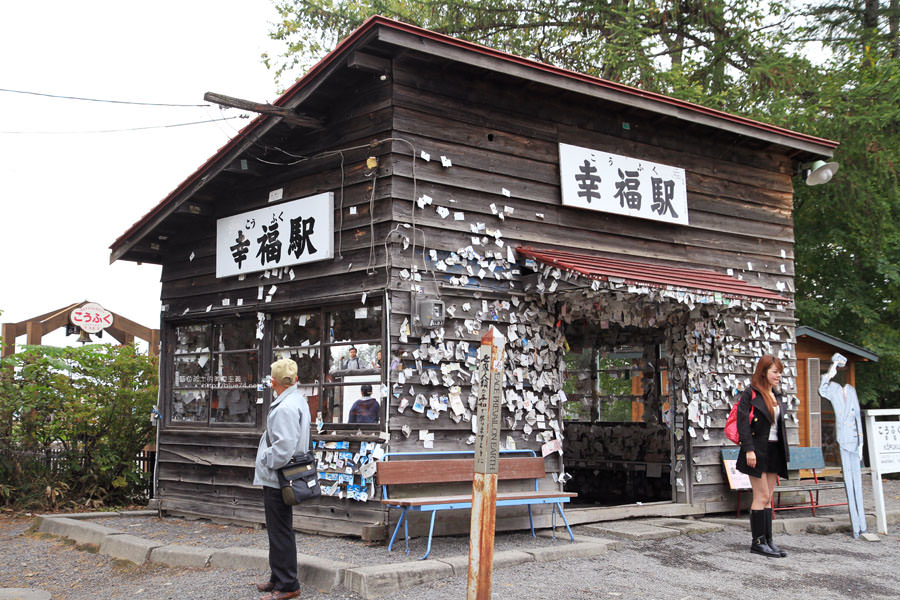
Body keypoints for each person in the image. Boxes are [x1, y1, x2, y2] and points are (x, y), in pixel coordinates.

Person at [252, 358, 309, 600]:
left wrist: (265, 458)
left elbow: (284, 448)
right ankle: (278, 577)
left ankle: (287, 584)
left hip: (279, 477)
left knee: (280, 531)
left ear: (274, 381)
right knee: (279, 529)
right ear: (295, 380)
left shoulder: (285, 407)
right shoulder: (297, 399)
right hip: (286, 476)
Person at [735, 354, 791, 558]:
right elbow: (742, 423)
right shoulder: (750, 393)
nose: (778, 376)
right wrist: (748, 449)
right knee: (761, 496)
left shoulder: (775, 394)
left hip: (775, 450)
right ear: (763, 371)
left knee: (769, 498)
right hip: (757, 450)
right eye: (775, 372)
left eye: (780, 372)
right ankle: (757, 542)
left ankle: (768, 540)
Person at [819, 352, 867, 538]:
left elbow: (857, 418)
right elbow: (822, 389)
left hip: (855, 440)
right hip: (843, 439)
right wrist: (831, 369)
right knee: (849, 479)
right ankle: (856, 526)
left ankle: (862, 524)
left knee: (858, 482)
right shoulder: (834, 389)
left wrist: (861, 441)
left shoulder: (852, 390)